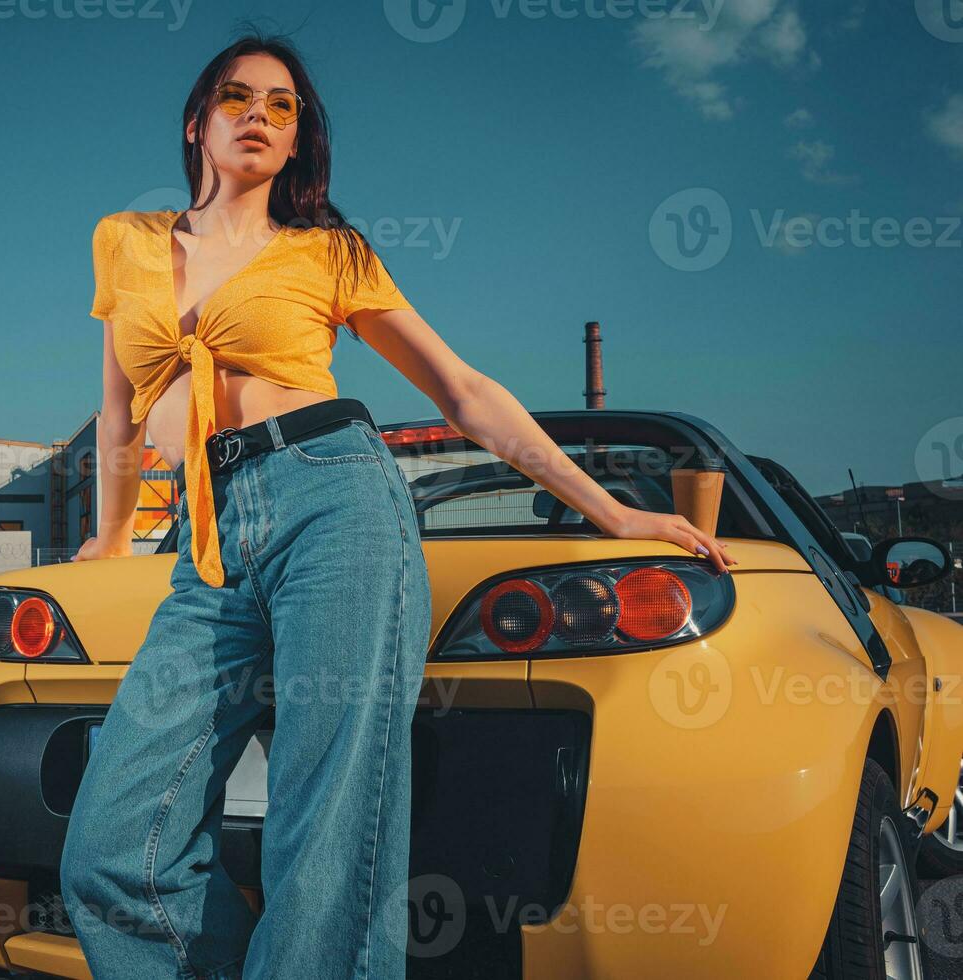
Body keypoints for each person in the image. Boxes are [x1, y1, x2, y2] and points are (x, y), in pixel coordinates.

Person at [60, 28, 736, 980]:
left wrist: (613, 512)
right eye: (237, 97)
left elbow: (461, 392)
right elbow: (120, 407)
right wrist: (109, 534)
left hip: (333, 501)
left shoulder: (329, 252)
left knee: (326, 837)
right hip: (206, 543)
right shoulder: (123, 240)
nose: (258, 113)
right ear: (196, 123)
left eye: (281, 105)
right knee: (112, 851)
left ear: (297, 142)